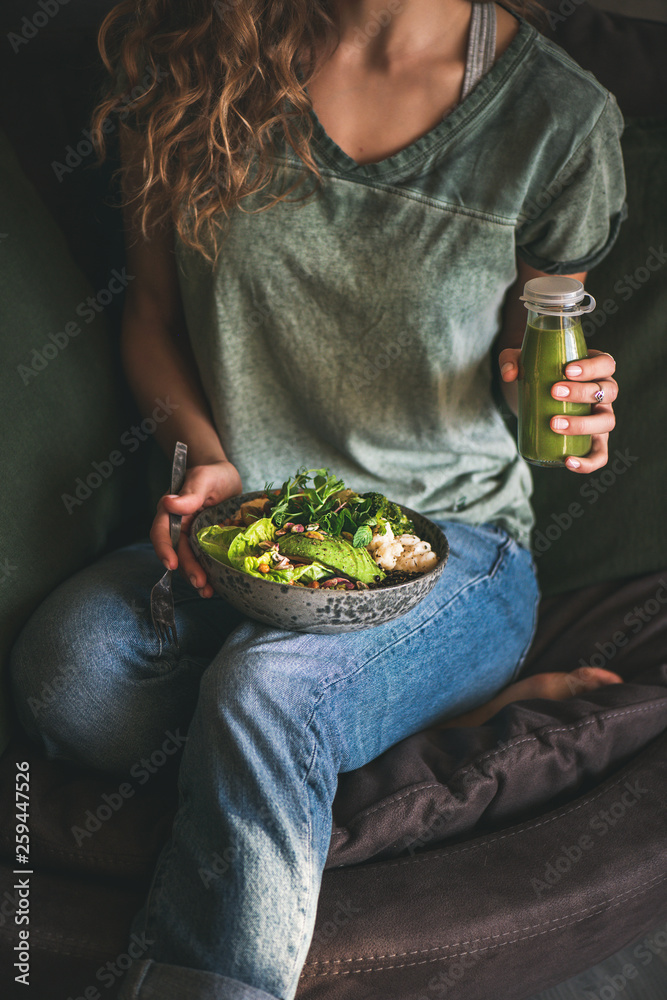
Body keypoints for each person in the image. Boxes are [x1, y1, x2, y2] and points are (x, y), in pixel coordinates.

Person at [9, 1, 627, 997]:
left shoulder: (556, 115)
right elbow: (155, 316)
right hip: (246, 537)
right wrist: (200, 459)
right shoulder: (193, 59)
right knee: (67, 674)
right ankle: (409, 734)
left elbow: (537, 350)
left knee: (264, 692)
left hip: (451, 550)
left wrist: (563, 396)